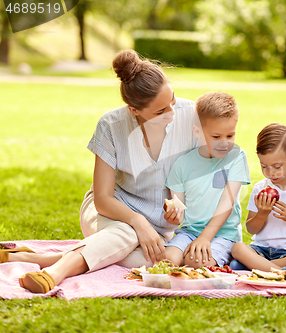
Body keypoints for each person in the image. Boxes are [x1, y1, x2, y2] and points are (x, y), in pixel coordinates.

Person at [1, 50, 200, 293]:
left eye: (173, 100)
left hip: (158, 227)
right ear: (134, 110)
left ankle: (33, 259)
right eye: (160, 112)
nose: (172, 112)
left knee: (152, 260)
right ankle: (53, 273)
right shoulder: (111, 126)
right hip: (108, 212)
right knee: (126, 235)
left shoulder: (192, 116)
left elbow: (204, 176)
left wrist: (179, 206)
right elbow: (103, 199)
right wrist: (138, 222)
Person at [163, 92, 251, 269]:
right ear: (197, 132)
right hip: (189, 232)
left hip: (223, 234)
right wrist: (173, 216)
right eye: (216, 137)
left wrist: (205, 238)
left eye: (230, 136)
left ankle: (229, 261)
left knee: (196, 263)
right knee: (168, 261)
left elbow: (227, 203)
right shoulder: (182, 164)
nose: (224, 143)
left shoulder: (236, 157)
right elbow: (178, 208)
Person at [231, 123, 286, 272]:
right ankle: (279, 271)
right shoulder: (260, 188)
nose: (270, 172)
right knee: (237, 248)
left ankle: (260, 269)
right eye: (264, 166)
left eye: (277, 167)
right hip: (260, 251)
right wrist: (261, 213)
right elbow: (251, 229)